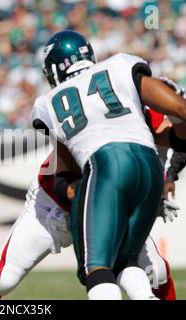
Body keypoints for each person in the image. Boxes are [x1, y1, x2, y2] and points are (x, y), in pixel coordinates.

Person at [31, 30, 186, 300]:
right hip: (150, 168)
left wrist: (81, 196)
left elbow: (64, 172)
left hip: (105, 166)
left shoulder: (48, 103)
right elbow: (179, 111)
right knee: (125, 261)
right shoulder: (120, 65)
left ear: (53, 69)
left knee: (98, 269)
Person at [0, 142, 177, 300]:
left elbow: (171, 132)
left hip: (108, 205)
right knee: (4, 278)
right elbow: (64, 183)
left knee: (156, 271)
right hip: (53, 206)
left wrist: (157, 187)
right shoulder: (77, 115)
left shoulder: (134, 109)